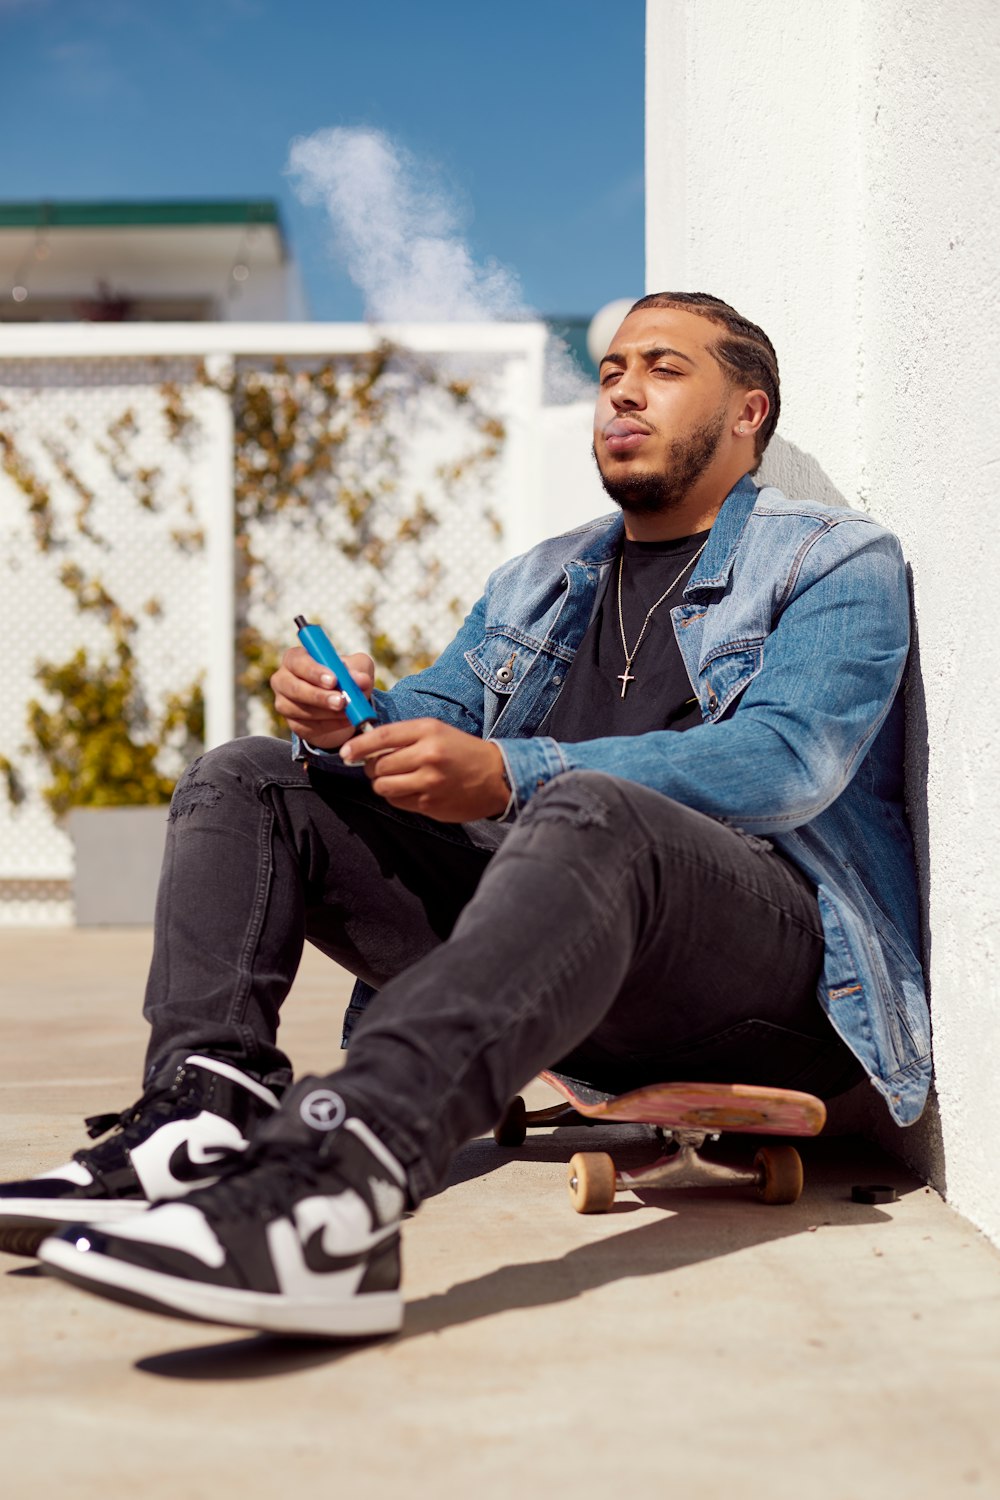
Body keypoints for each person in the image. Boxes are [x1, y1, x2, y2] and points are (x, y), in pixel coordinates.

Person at [0, 293, 929, 1339]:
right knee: (253, 776)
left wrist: (511, 772)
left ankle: (331, 1189)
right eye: (612, 368)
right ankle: (201, 1120)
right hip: (565, 969)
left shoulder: (832, 561)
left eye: (663, 368)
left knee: (585, 806)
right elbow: (432, 719)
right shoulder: (540, 579)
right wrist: (346, 715)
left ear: (748, 411)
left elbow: (786, 761)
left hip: (765, 985)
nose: (621, 387)